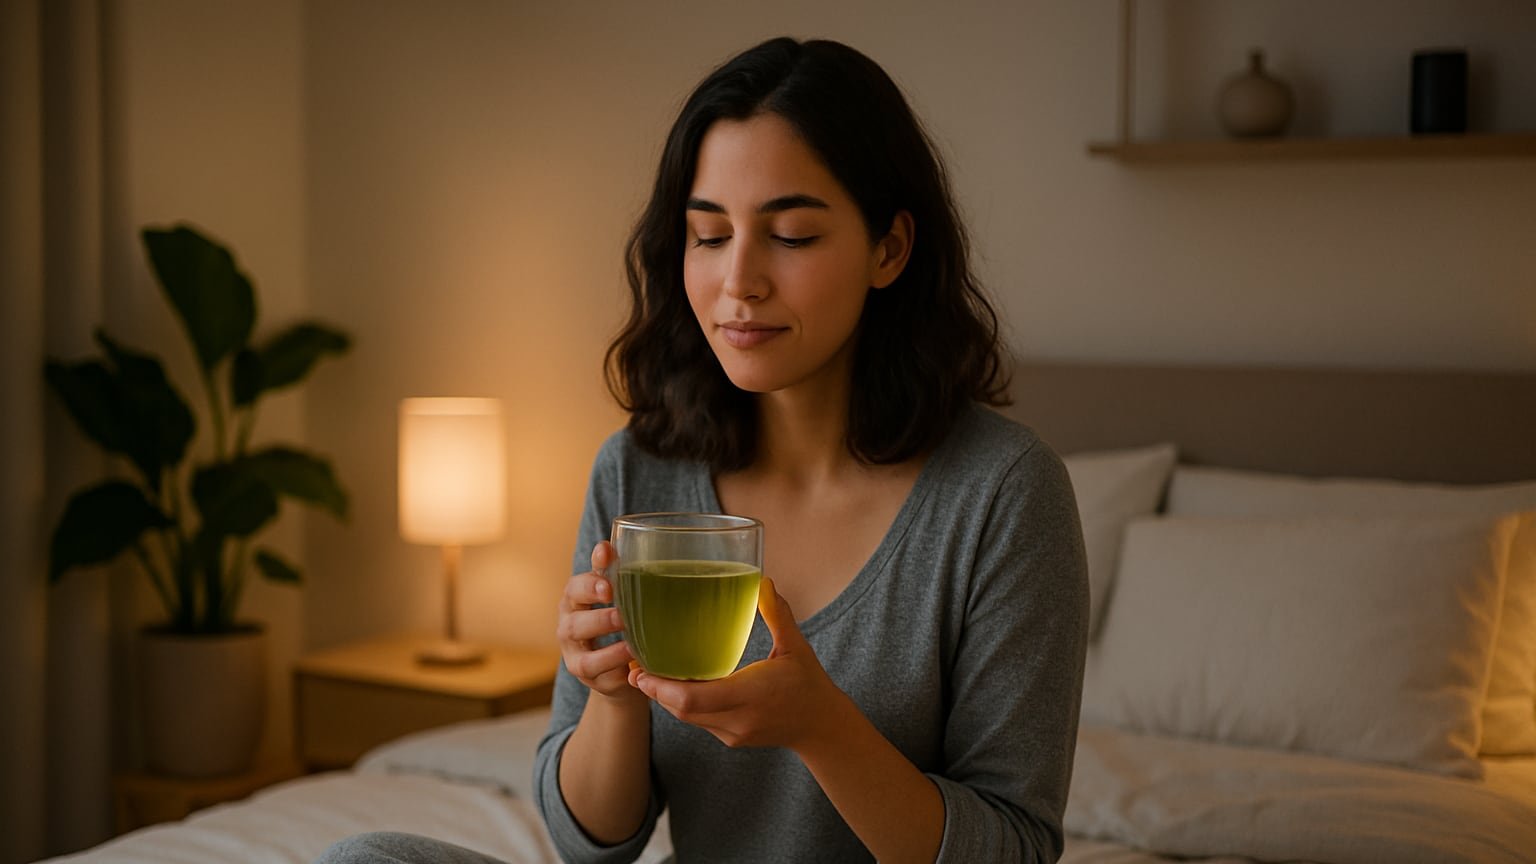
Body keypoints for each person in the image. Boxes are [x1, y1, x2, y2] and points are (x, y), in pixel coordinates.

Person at [317, 35, 1086, 864]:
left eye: (791, 235)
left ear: (890, 248)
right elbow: (594, 843)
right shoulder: (639, 467)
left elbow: (1014, 850)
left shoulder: (1002, 493)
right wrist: (611, 693)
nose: (739, 281)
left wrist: (821, 728)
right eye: (709, 235)